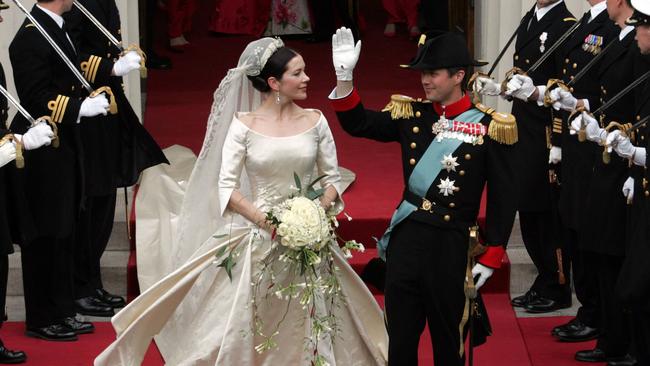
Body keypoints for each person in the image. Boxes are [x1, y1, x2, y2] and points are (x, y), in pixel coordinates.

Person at [94, 37, 388, 366]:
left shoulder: (315, 121)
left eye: (305, 71)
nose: (307, 79)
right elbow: (227, 187)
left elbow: (331, 178)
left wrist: (314, 214)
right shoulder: (244, 126)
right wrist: (271, 223)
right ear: (274, 83)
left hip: (311, 236)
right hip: (259, 237)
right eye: (298, 73)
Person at [329, 28, 517, 365]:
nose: (425, 81)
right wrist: (345, 78)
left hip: (451, 245)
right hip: (407, 239)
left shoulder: (490, 127)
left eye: (433, 73)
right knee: (399, 342)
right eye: (422, 73)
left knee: (448, 344)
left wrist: (493, 253)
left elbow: (504, 194)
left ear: (459, 75)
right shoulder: (412, 116)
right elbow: (359, 124)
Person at [9, 0, 127, 341]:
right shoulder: (29, 37)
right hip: (45, 146)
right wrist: (80, 107)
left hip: (66, 144)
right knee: (47, 235)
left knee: (66, 230)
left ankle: (63, 309)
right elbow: (35, 97)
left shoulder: (59, 26)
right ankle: (42, 317)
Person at [64, 0, 168, 318]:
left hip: (107, 108)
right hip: (86, 110)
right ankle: (79, 286)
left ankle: (91, 282)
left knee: (105, 200)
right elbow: (68, 56)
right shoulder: (71, 5)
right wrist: (110, 68)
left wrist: (120, 61)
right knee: (91, 200)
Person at [476, 0, 576, 314]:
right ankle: (544, 277)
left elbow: (567, 87)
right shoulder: (531, 17)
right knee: (529, 207)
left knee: (546, 212)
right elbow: (524, 74)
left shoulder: (565, 22)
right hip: (525, 127)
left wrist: (558, 142)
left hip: (545, 133)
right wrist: (502, 89)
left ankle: (557, 282)